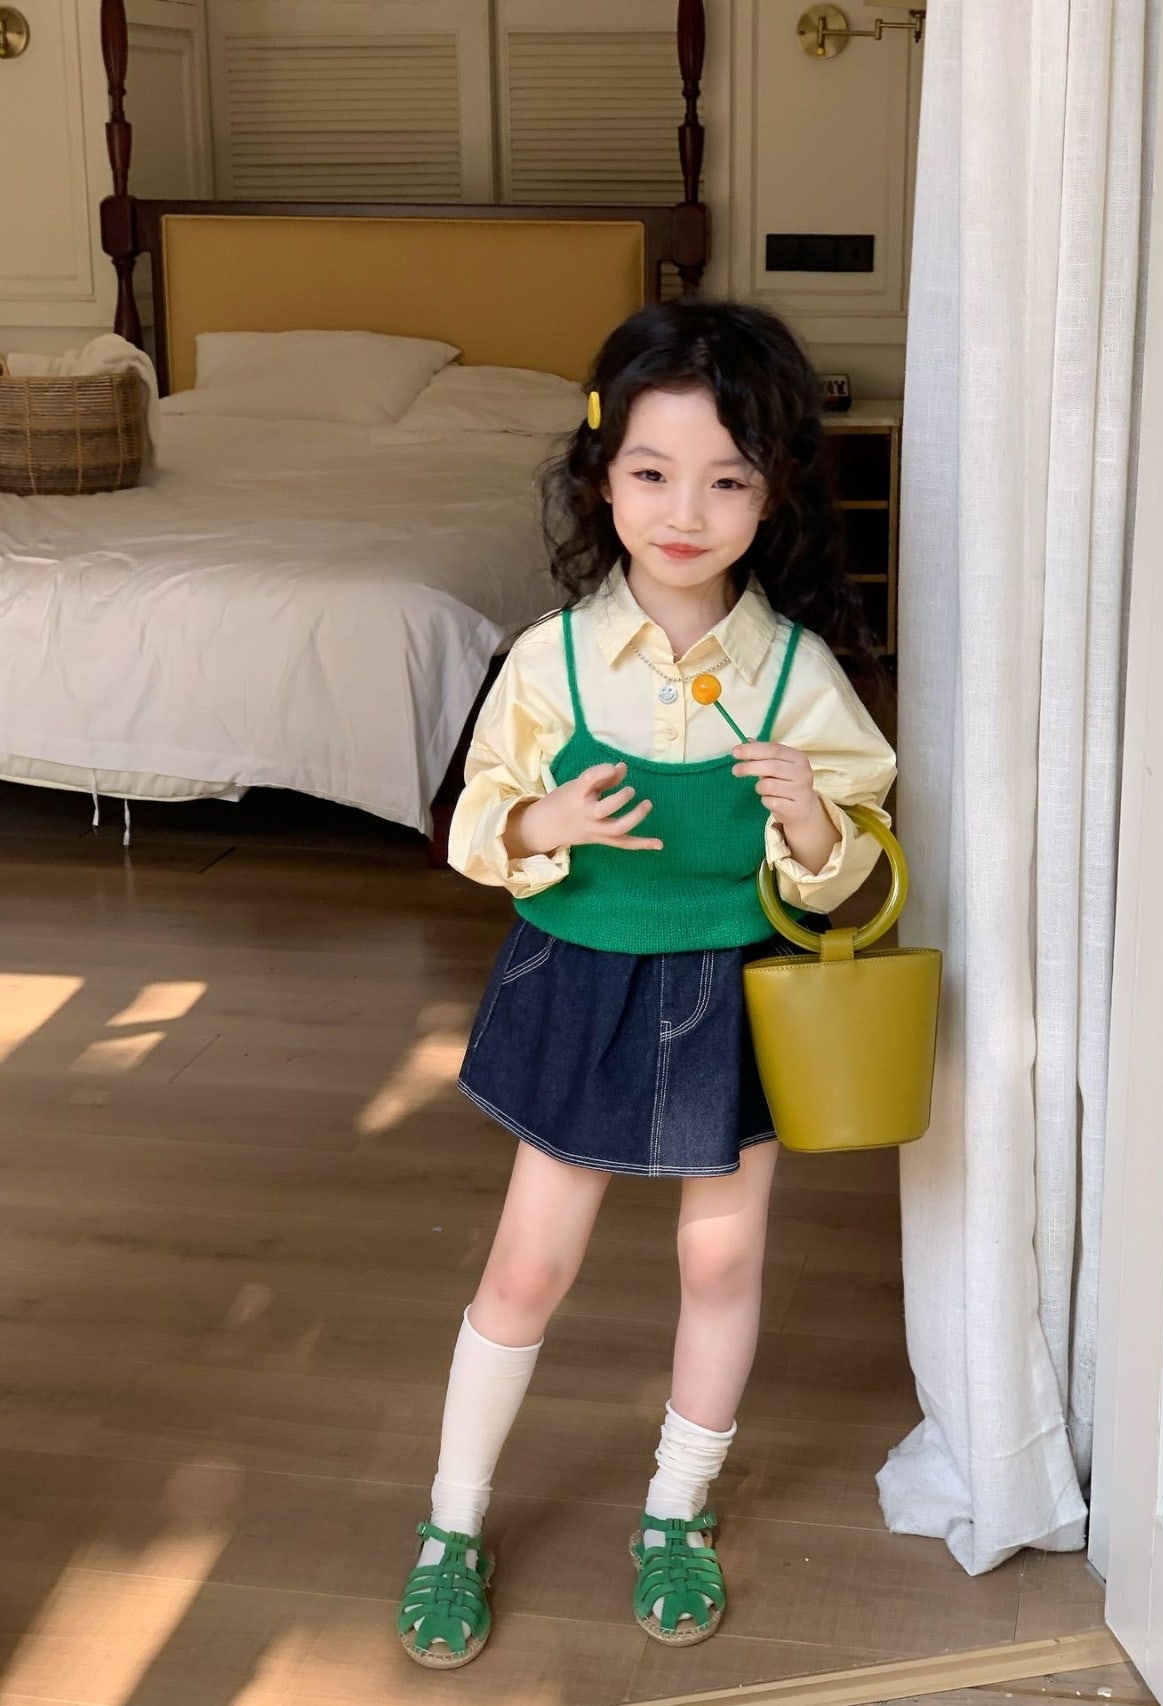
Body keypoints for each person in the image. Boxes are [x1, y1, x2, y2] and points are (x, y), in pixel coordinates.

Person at [397, 298, 897, 1669]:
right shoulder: (550, 659)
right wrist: (538, 822)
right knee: (527, 1262)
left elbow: (849, 869)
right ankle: (452, 1520)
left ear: (773, 491)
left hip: (736, 993)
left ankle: (677, 1509)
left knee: (721, 1259)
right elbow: (474, 823)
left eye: (727, 480)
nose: (686, 512)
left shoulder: (796, 671)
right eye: (654, 472)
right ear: (602, 474)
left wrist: (812, 822)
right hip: (582, 984)